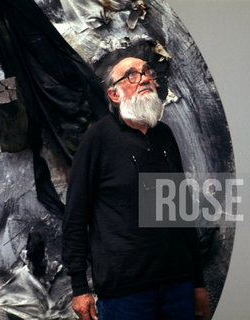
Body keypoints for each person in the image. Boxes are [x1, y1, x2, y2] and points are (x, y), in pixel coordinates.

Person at [62, 57, 210, 320]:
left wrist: (197, 283)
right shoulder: (97, 139)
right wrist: (79, 287)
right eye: (130, 75)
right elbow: (75, 217)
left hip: (178, 285)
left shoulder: (165, 135)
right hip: (126, 292)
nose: (143, 78)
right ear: (113, 94)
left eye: (145, 72)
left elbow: (182, 214)